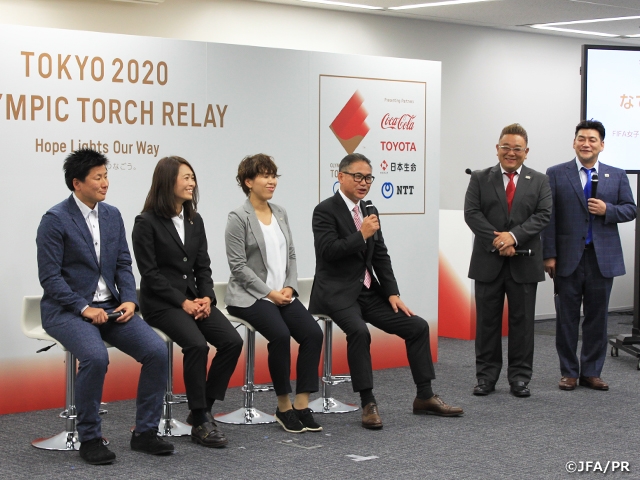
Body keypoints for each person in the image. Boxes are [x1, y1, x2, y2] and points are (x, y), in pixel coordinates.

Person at [36, 148, 174, 465]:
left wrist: (129, 299)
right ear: (77, 183)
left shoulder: (112, 215)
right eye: (97, 177)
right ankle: (90, 438)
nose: (105, 183)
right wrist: (83, 308)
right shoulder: (55, 220)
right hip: (67, 311)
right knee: (96, 356)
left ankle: (145, 433)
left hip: (111, 307)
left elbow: (124, 264)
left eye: (106, 175)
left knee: (156, 350)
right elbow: (50, 278)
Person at [310, 152, 463, 429]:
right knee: (359, 332)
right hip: (337, 293)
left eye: (368, 177)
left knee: (416, 326)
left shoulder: (370, 210)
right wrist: (361, 235)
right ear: (341, 176)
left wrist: (392, 292)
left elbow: (380, 255)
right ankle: (368, 402)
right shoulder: (325, 210)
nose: (364, 183)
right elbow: (328, 252)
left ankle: (425, 396)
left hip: (369, 292)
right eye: (358, 176)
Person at [132, 156, 243, 448]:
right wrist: (183, 302)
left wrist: (207, 297)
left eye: (193, 178)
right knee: (196, 345)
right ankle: (202, 419)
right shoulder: (146, 222)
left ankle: (201, 408)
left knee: (232, 341)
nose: (192, 183)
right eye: (186, 177)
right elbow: (150, 274)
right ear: (168, 181)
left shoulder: (195, 219)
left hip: (195, 299)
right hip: (162, 304)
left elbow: (202, 266)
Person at [225, 154, 324, 434]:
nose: (271, 181)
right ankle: (283, 407)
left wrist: (290, 287)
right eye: (265, 176)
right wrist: (269, 293)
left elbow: (291, 254)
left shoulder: (280, 211)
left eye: (274, 175)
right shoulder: (237, 217)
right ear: (248, 182)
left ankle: (302, 404)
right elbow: (238, 266)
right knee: (280, 335)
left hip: (282, 295)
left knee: (313, 334)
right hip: (250, 297)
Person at [542, 120, 636, 392]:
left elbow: (631, 209)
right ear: (574, 143)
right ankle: (569, 372)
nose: (586, 143)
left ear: (602, 145)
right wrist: (549, 255)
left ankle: (592, 372)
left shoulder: (616, 175)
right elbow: (549, 218)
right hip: (567, 259)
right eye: (581, 138)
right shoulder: (556, 173)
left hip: (602, 259)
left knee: (598, 318)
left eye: (592, 139)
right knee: (566, 318)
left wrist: (608, 209)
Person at [464, 123, 552, 398]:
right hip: (487, 262)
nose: (510, 153)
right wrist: (498, 240)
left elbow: (542, 215)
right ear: (497, 149)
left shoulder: (539, 180)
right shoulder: (480, 178)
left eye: (517, 149)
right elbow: (472, 214)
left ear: (526, 152)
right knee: (487, 323)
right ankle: (486, 377)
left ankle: (520, 378)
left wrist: (513, 237)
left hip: (524, 262)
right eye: (506, 147)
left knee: (523, 324)